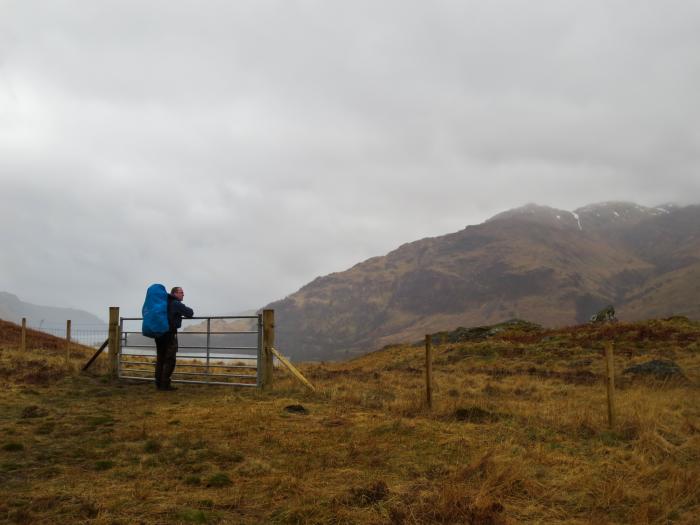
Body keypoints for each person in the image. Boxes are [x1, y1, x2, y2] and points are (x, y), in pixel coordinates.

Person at [154, 286, 194, 390]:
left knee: (160, 358)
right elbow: (190, 313)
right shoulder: (175, 303)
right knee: (170, 359)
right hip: (169, 334)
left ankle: (158, 383)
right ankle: (165, 384)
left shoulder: (164, 302)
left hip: (159, 334)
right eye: (181, 292)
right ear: (174, 293)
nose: (183, 294)